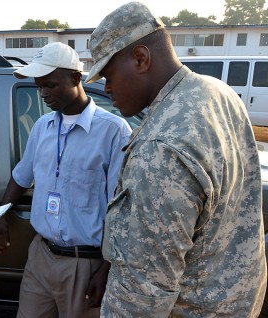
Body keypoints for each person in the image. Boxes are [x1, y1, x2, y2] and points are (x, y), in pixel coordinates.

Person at [85, 2, 267, 317]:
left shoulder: (161, 147)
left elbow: (142, 294)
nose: (107, 87)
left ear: (141, 58)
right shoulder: (216, 93)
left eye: (109, 74)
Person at [0, 42, 132, 318]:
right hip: (41, 256)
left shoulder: (113, 132)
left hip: (85, 263)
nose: (43, 93)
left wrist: (107, 268)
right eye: (39, 86)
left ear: (76, 78)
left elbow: (122, 208)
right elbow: (21, 175)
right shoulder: (42, 127)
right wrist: (0, 214)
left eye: (51, 85)